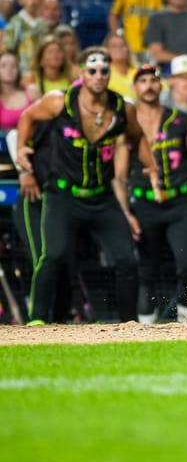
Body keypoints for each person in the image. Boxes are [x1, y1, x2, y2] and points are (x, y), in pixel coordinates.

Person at [15, 46, 159, 325]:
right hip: (63, 194)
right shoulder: (60, 101)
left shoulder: (121, 107)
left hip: (102, 197)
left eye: (104, 70)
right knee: (53, 255)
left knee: (126, 260)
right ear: (82, 73)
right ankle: (36, 321)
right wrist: (22, 150)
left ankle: (128, 324)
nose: (99, 75)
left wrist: (150, 164)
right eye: (92, 70)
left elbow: (137, 136)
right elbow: (27, 117)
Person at [129, 64, 187, 324]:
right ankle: (144, 330)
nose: (148, 85)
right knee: (146, 271)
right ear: (135, 87)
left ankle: (185, 325)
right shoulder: (128, 123)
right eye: (142, 80)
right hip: (143, 203)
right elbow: (118, 171)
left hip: (179, 202)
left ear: (161, 85)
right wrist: (124, 211)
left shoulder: (181, 120)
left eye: (153, 80)